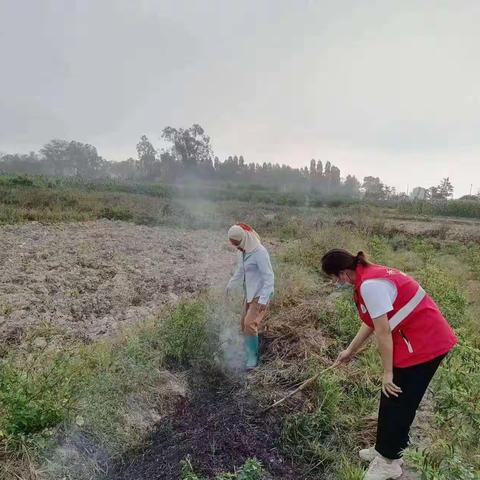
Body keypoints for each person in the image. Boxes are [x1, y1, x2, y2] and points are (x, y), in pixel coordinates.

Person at [321, 249, 457, 480]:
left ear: (344, 273)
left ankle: (390, 462)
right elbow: (374, 321)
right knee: (390, 398)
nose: (335, 283)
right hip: (416, 339)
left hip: (426, 344)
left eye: (334, 278)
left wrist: (387, 372)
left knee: (399, 401)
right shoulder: (367, 277)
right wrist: (350, 350)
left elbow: (383, 332)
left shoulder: (370, 285)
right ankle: (383, 448)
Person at [226, 223, 274, 370]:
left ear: (245, 238)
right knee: (243, 324)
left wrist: (264, 299)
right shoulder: (243, 251)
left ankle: (253, 358)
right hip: (250, 292)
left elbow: (269, 277)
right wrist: (230, 286)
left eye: (238, 244)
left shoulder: (260, 252)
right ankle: (248, 352)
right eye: (234, 245)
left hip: (260, 293)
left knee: (249, 324)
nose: (237, 247)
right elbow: (240, 271)